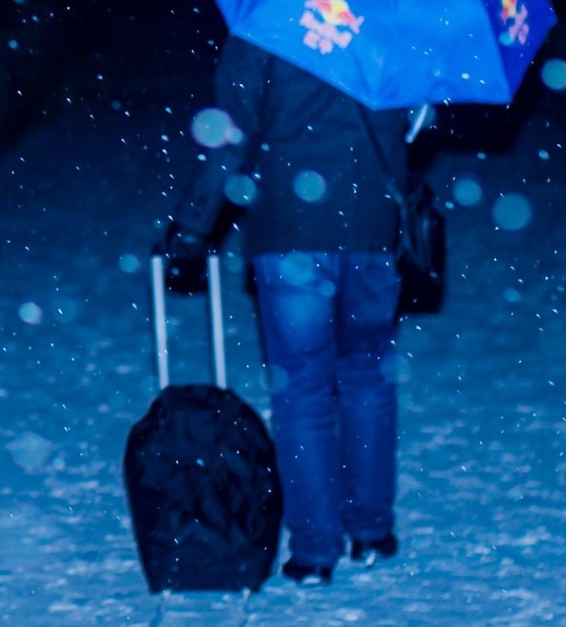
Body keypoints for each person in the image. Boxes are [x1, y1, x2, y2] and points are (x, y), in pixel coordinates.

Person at [162, 34, 407, 584]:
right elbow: (413, 124)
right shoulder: (394, 19)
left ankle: (317, 551)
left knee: (302, 392)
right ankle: (371, 530)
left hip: (290, 229)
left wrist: (193, 222)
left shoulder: (269, 20)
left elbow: (231, 134)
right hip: (372, 226)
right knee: (369, 379)